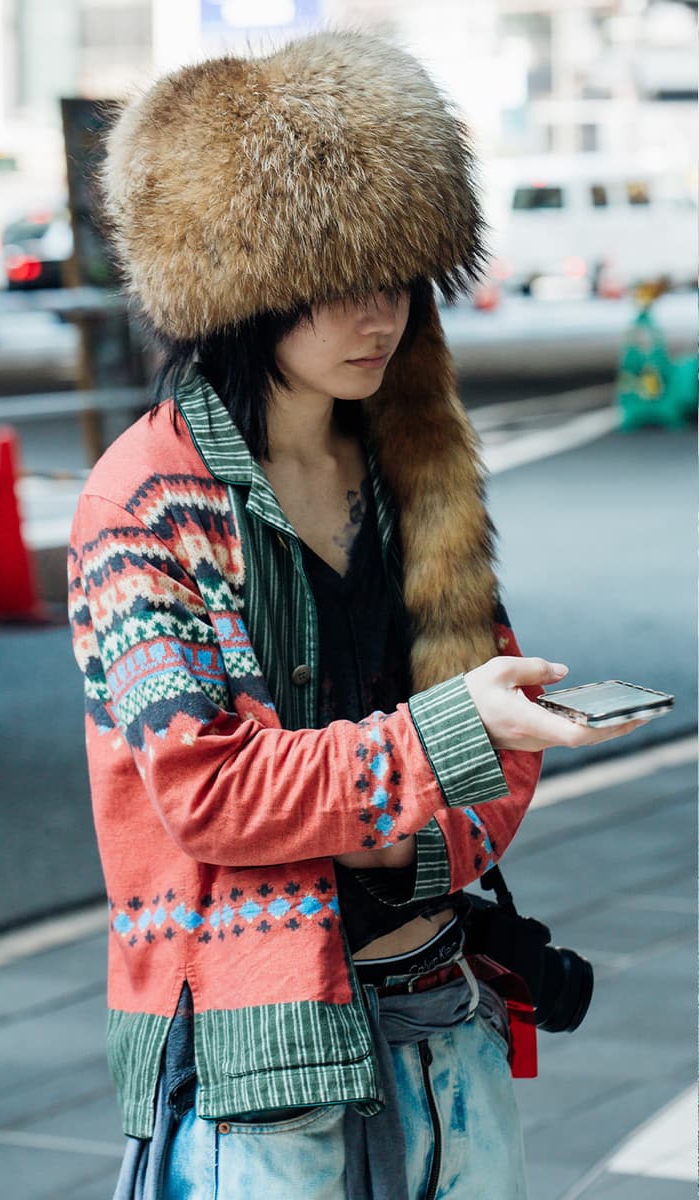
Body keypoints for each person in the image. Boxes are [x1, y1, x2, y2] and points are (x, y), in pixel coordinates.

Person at [68, 31, 642, 1200]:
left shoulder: (410, 471)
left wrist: (423, 811)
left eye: (395, 275)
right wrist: (437, 749)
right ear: (243, 287)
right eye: (335, 282)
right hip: (257, 1056)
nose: (375, 313)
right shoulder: (145, 499)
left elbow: (493, 731)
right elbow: (210, 793)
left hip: (446, 1017)